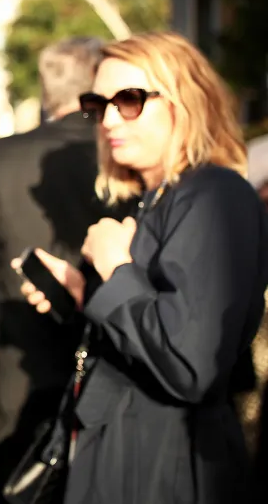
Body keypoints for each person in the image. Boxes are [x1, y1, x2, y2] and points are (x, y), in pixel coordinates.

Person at [20, 32, 268, 504]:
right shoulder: (157, 199)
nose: (109, 118)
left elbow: (191, 361)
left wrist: (114, 267)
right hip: (125, 453)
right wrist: (80, 293)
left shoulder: (216, 195)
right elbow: (147, 326)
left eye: (130, 100)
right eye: (100, 103)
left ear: (185, 101)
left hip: (167, 466)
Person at [0, 37, 119, 501]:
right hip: (119, 375)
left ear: (46, 87)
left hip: (19, 384)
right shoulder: (128, 151)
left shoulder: (3, 158)